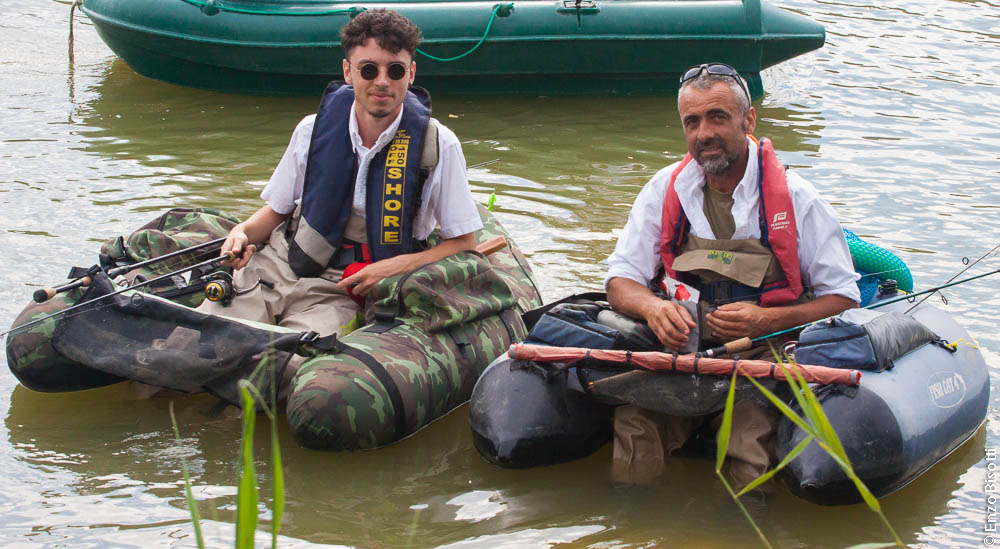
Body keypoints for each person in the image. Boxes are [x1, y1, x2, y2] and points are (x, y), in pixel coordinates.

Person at [603, 63, 861, 488]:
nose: (704, 133)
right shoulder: (664, 189)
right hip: (684, 351)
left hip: (765, 355)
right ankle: (632, 518)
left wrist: (767, 321)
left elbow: (843, 298)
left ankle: (745, 515)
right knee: (635, 422)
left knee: (747, 442)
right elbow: (620, 281)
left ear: (748, 120)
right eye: (692, 122)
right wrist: (652, 309)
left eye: (717, 117)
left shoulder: (798, 199)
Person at [197, 9, 483, 391]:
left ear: (411, 74)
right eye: (369, 69)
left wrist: (390, 268)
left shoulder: (438, 144)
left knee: (288, 370)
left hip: (346, 289)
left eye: (395, 70)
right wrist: (241, 233)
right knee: (205, 342)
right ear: (348, 72)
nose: (382, 81)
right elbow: (276, 212)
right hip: (281, 262)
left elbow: (464, 244)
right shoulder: (311, 130)